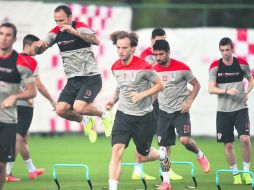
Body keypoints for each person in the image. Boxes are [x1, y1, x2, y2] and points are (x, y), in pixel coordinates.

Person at [34, 4, 113, 143]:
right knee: (60, 109)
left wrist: (75, 32)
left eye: (62, 20)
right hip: (72, 80)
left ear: (70, 17)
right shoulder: (55, 32)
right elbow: (40, 50)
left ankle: (104, 114)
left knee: (78, 107)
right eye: (56, 21)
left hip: (90, 78)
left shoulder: (80, 26)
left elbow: (97, 41)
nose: (59, 24)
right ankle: (85, 121)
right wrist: (39, 47)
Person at [107, 31, 170, 190]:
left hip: (144, 118)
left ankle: (162, 155)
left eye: (124, 48)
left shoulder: (144, 67)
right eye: (118, 48)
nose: (120, 51)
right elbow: (121, 86)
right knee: (116, 151)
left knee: (143, 155)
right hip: (123, 116)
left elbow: (160, 85)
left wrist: (142, 94)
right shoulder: (115, 67)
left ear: (133, 48)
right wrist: (113, 101)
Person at [153, 40, 210, 190]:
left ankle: (199, 155)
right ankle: (166, 182)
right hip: (163, 113)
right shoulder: (153, 69)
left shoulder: (182, 68)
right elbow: (154, 91)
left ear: (168, 52)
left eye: (161, 54)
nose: (158, 57)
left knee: (185, 140)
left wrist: (190, 101)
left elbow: (197, 85)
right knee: (163, 149)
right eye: (156, 54)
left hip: (180, 111)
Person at [132, 27, 183, 181]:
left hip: (164, 102)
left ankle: (165, 170)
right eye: (159, 41)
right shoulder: (147, 56)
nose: (161, 43)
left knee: (167, 137)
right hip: (151, 101)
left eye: (164, 40)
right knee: (145, 134)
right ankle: (137, 168)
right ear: (152, 41)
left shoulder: (162, 56)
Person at [5, 34, 57, 182]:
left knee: (23, 138)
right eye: (36, 46)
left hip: (8, 104)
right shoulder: (31, 61)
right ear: (28, 46)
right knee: (18, 138)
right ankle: (6, 172)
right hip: (24, 106)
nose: (37, 49)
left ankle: (32, 170)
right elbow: (38, 85)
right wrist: (52, 101)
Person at [208, 37, 254, 185]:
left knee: (245, 139)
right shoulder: (215, 66)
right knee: (228, 144)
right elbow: (210, 89)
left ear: (232, 49)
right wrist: (226, 90)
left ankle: (246, 172)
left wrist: (247, 91)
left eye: (227, 50)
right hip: (223, 111)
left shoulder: (242, 63)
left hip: (240, 108)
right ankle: (235, 174)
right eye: (222, 50)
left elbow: (251, 79)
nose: (225, 53)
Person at [0, 23, 37, 190]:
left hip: (9, 117)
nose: (4, 38)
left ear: (14, 39)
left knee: (2, 164)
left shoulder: (21, 62)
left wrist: (15, 95)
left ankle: (9, 172)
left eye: (8, 35)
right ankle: (31, 169)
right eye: (1, 34)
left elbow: (32, 91)